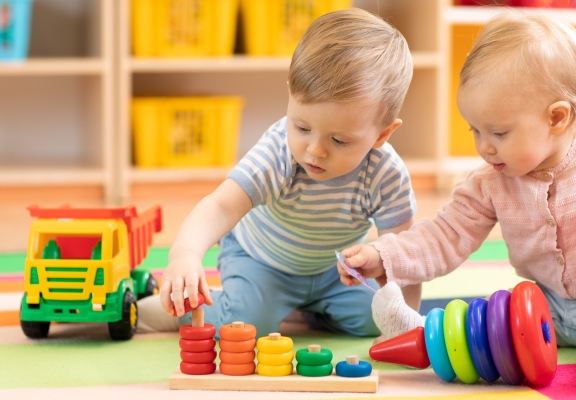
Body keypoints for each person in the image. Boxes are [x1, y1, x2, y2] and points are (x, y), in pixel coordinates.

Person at [338, 10, 576, 395]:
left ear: (557, 118)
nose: (483, 146)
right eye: (474, 130)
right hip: (548, 305)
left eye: (498, 132)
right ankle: (420, 335)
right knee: (490, 329)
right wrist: (385, 257)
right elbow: (445, 234)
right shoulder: (490, 180)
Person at [137, 8, 422, 339]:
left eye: (339, 140)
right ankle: (181, 313)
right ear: (290, 95)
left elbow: (401, 254)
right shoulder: (278, 154)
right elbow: (219, 207)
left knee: (377, 318)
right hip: (261, 262)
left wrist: (405, 321)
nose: (315, 149)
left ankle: (313, 310)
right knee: (244, 326)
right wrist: (184, 255)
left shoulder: (386, 174)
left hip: (334, 271)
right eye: (301, 126)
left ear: (382, 135)